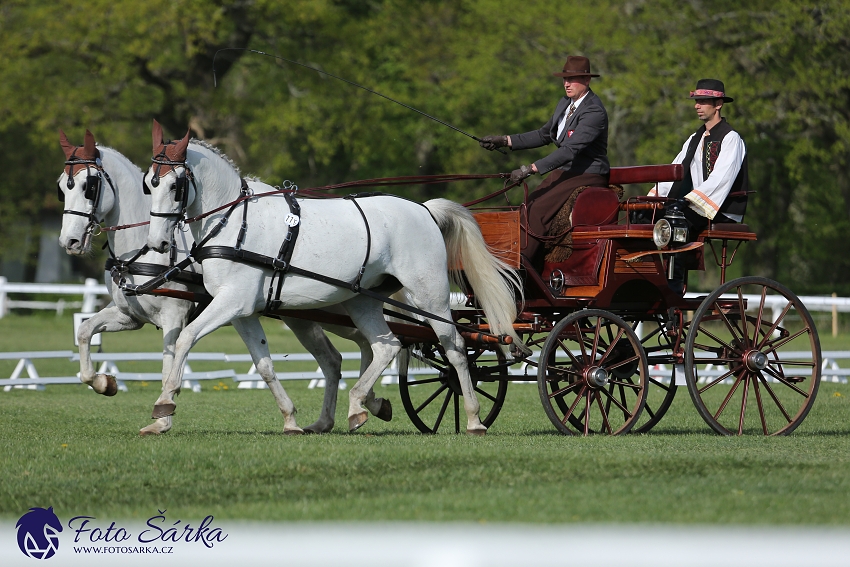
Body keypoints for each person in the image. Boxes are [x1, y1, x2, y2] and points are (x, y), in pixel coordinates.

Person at [479, 55, 609, 266]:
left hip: (588, 173)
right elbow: (544, 135)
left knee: (538, 211)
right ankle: (516, 260)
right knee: (527, 205)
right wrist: (505, 140)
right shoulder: (565, 104)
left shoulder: (594, 111)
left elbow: (569, 150)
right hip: (567, 171)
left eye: (572, 79)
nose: (566, 83)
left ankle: (521, 269)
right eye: (564, 79)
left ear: (587, 80)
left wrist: (530, 169)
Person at [647, 78, 748, 232]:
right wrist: (652, 199)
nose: (696, 106)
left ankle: (683, 257)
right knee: (645, 217)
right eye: (696, 101)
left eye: (703, 101)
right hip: (695, 204)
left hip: (721, 206)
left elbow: (721, 178)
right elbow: (675, 171)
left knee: (675, 222)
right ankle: (645, 257)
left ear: (718, 104)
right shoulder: (695, 138)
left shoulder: (730, 138)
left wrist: (687, 201)